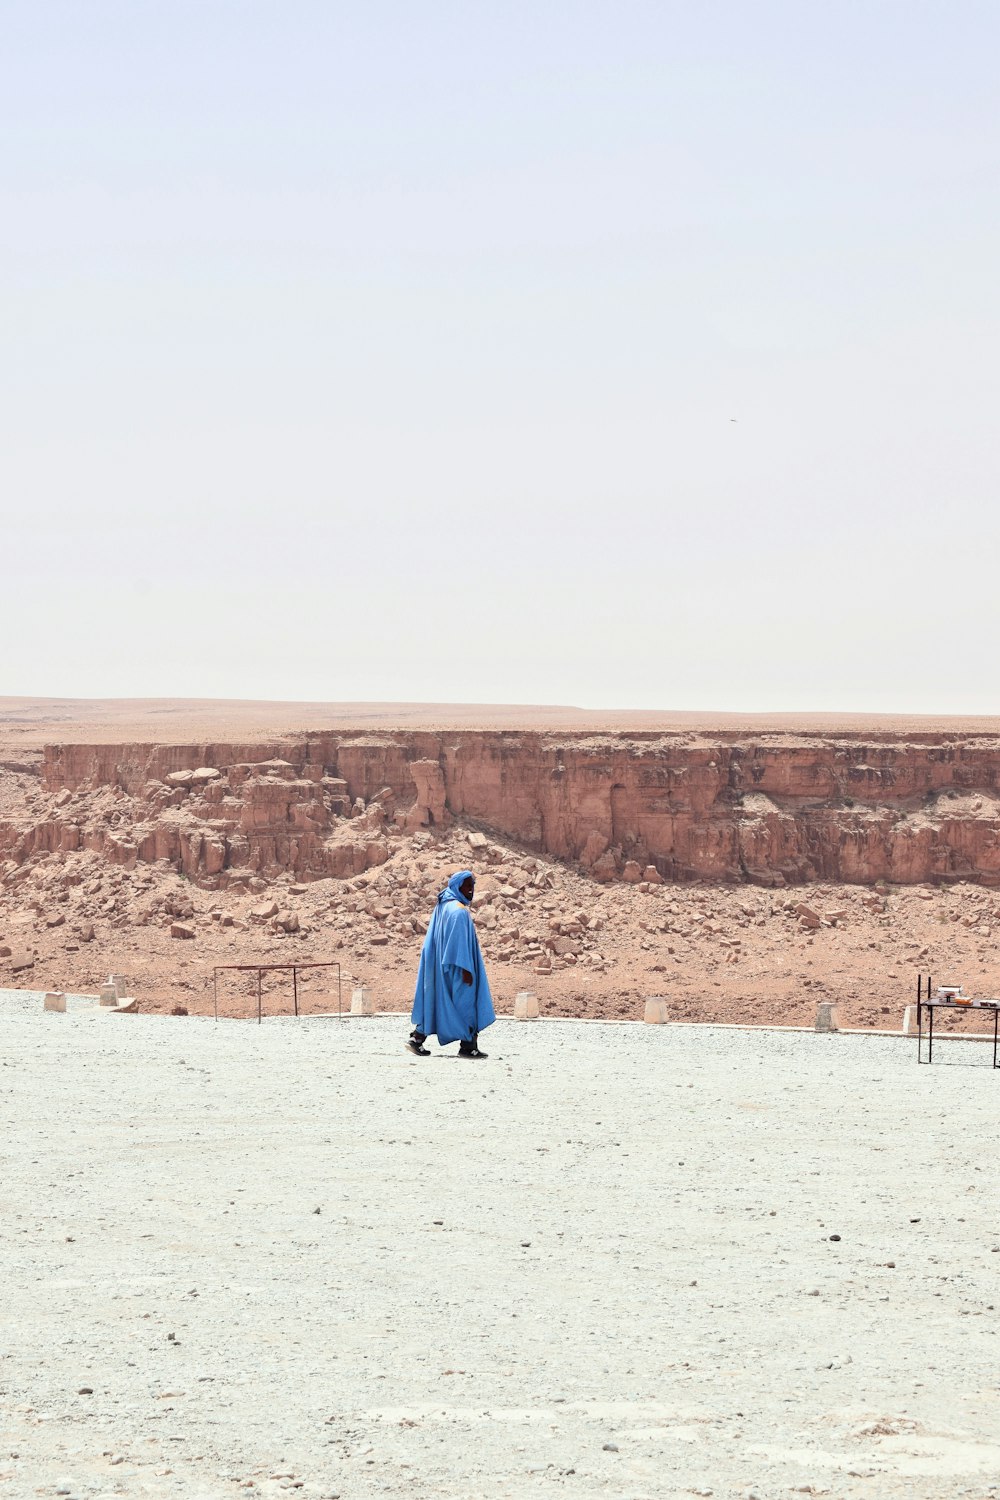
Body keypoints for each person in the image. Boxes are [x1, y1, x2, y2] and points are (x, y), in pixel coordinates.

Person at [408, 869, 495, 1059]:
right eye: (467, 885)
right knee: (467, 1004)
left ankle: (418, 1038)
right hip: (458, 967)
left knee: (436, 1001)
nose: (471, 889)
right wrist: (466, 970)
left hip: (440, 966)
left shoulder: (444, 905)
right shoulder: (459, 911)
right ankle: (468, 1046)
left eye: (473, 885)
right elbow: (458, 944)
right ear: (458, 886)